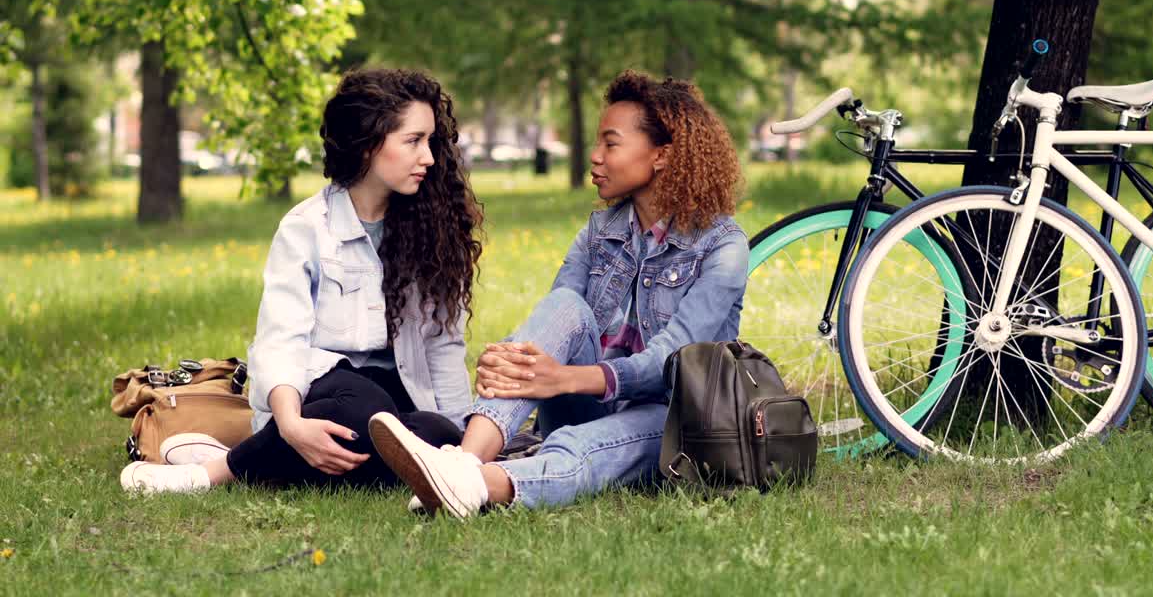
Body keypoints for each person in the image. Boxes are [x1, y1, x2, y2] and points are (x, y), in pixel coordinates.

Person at [369, 69, 748, 518]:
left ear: (662, 155)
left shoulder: (722, 247)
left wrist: (561, 378)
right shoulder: (599, 233)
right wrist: (513, 360)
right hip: (584, 404)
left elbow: (671, 361)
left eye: (611, 143)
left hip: (669, 421)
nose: (595, 157)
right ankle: (465, 462)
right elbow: (557, 324)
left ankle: (472, 483)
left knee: (577, 446)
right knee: (566, 306)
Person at [120, 68, 482, 493]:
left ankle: (251, 457)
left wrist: (465, 451)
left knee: (436, 436)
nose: (430, 158)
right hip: (318, 391)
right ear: (369, 144)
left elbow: (442, 346)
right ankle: (209, 474)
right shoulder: (307, 228)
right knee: (364, 412)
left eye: (431, 141)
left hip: (394, 399)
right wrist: (290, 424)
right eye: (413, 141)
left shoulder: (431, 229)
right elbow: (282, 340)